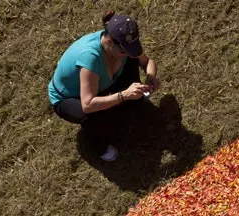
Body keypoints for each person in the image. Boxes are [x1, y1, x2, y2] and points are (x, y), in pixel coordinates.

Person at [48, 11, 158, 161]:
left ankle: (133, 102)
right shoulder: (90, 58)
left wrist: (150, 77)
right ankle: (99, 147)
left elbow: (146, 61)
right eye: (124, 51)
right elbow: (87, 104)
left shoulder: (122, 46)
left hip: (103, 82)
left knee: (132, 61)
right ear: (110, 42)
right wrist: (123, 95)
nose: (127, 53)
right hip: (69, 97)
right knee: (91, 115)